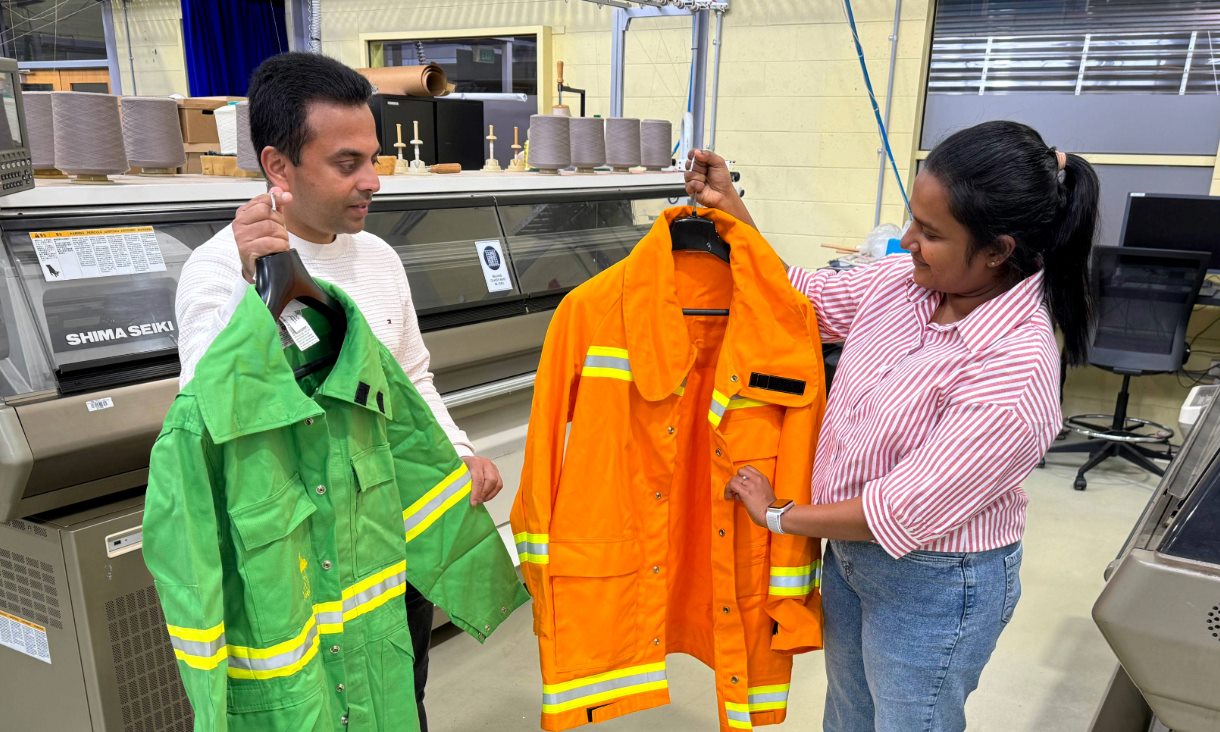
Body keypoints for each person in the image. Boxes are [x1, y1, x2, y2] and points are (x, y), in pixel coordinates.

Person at [687, 120, 1099, 732]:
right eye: (913, 219)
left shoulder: (1014, 373)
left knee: (911, 723)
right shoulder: (905, 284)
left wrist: (779, 515)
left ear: (998, 251)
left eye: (930, 233)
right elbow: (802, 304)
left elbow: (897, 510)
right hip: (853, 557)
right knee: (850, 712)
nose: (907, 242)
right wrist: (733, 211)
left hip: (935, 582)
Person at [174, 52, 506, 732]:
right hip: (300, 566)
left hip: (389, 547)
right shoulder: (217, 274)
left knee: (396, 700)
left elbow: (411, 374)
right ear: (278, 167)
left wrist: (455, 449)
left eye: (374, 159)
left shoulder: (378, 259)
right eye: (347, 163)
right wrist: (251, 292)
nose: (374, 182)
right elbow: (209, 412)